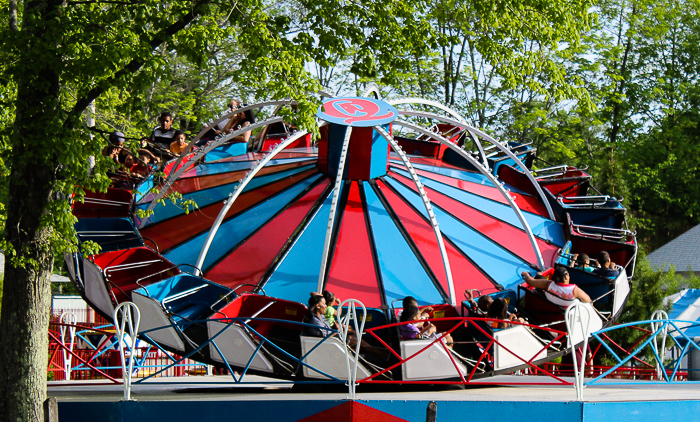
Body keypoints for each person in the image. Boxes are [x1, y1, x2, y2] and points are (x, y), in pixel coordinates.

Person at [522, 267, 592, 303]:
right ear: (566, 277)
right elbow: (588, 301)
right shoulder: (574, 290)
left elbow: (530, 281)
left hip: (551, 309)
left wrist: (525, 274)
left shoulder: (548, 284)